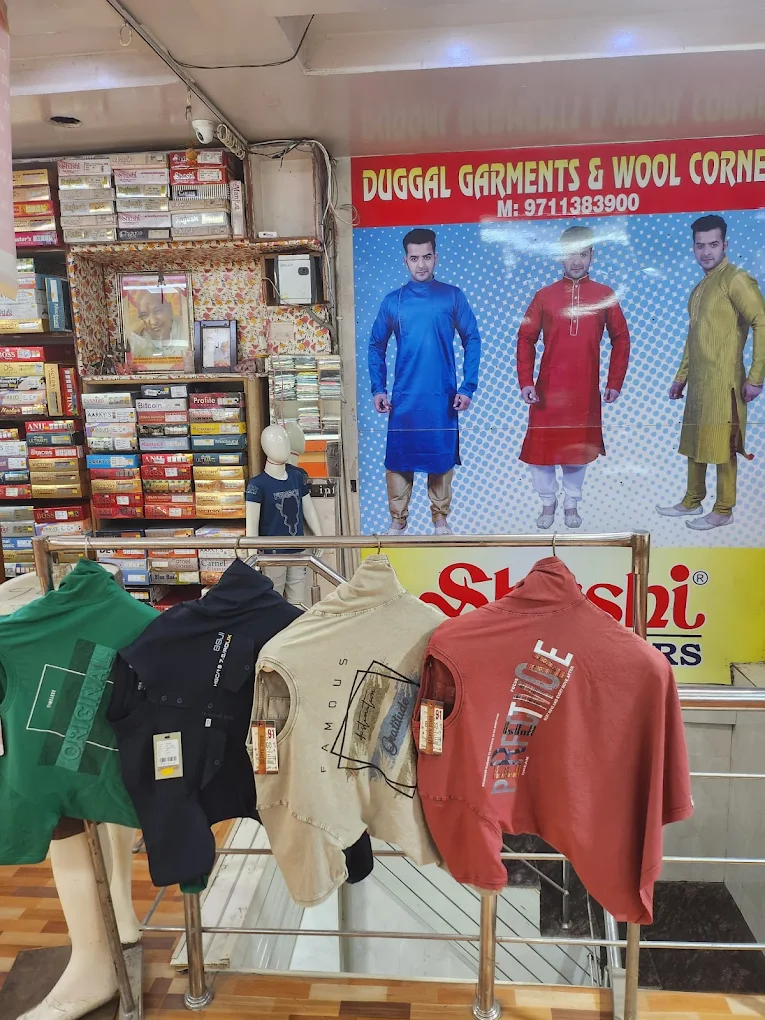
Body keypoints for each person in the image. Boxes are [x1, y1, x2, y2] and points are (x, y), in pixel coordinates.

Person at [368, 227, 481, 536]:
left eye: (427, 257)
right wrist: (378, 388)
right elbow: (376, 345)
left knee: (440, 458)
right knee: (399, 459)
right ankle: (397, 520)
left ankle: (440, 520)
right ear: (405, 261)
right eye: (415, 258)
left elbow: (472, 339)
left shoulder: (452, 296)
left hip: (441, 397)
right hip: (404, 398)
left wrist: (468, 387)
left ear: (436, 257)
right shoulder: (393, 301)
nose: (421, 265)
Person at [517, 224, 631, 530]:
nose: (576, 261)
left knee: (576, 452)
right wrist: (526, 381)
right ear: (559, 256)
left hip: (584, 390)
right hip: (547, 390)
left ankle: (571, 503)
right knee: (541, 452)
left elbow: (621, 338)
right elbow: (525, 338)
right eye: (570, 254)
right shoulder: (544, 296)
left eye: (583, 254)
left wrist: (614, 382)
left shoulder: (604, 295)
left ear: (592, 255)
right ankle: (547, 501)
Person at [657, 214, 765, 530]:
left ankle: (723, 509)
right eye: (700, 246)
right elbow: (694, 337)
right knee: (695, 442)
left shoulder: (736, 279)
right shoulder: (699, 288)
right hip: (699, 383)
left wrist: (756, 376)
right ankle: (692, 500)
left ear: (725, 245)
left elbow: (761, 321)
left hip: (725, 382)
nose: (706, 252)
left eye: (713, 244)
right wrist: (681, 377)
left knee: (723, 446)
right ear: (693, 247)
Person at [128, 288, 188, 359]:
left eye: (157, 311)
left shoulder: (187, 328)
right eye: (144, 315)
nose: (153, 322)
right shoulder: (139, 338)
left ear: (170, 308)